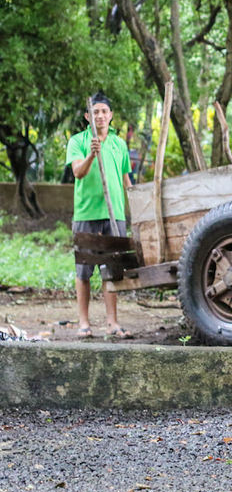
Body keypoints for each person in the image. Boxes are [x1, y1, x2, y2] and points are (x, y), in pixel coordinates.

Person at [66, 92, 133, 338]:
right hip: (86, 213)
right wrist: (92, 155)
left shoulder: (119, 144)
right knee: (83, 270)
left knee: (112, 270)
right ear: (88, 117)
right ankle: (84, 322)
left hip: (114, 215)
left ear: (111, 115)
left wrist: (136, 207)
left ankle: (112, 322)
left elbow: (126, 180)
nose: (100, 116)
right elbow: (78, 172)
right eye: (95, 112)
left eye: (104, 111)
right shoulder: (78, 141)